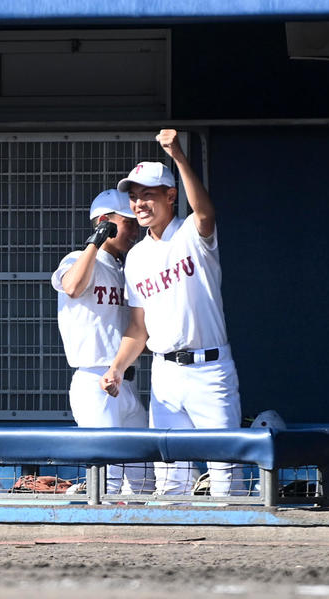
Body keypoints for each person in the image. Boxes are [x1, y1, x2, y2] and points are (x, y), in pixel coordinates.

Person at [101, 130, 243, 497]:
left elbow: (206, 212)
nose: (139, 204)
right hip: (164, 372)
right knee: (169, 483)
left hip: (210, 371)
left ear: (170, 196)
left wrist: (177, 155)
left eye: (148, 195)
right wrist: (116, 367)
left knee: (225, 478)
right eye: (133, 197)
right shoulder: (136, 257)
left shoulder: (192, 236)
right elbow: (137, 327)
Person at [51, 189, 154, 496]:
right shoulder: (79, 259)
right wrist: (95, 240)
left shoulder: (128, 267)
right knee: (106, 480)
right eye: (127, 223)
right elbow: (71, 286)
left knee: (144, 478)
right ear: (105, 222)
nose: (135, 231)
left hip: (127, 380)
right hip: (95, 379)